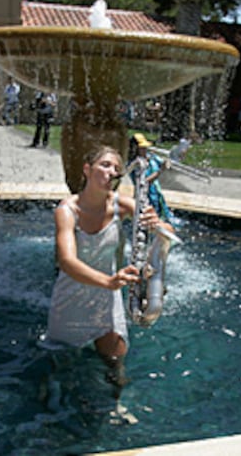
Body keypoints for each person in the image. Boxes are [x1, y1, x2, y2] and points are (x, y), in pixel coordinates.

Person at [45, 145, 172, 394]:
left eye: (116, 168)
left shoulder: (122, 205)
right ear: (87, 169)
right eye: (105, 164)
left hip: (107, 295)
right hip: (71, 297)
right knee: (60, 364)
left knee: (116, 360)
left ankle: (117, 405)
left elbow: (170, 233)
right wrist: (109, 281)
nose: (111, 171)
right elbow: (67, 261)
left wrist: (158, 224)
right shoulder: (66, 211)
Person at [128, 133, 174, 223]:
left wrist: (168, 162)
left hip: (156, 192)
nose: (145, 149)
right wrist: (160, 171)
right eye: (142, 148)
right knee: (146, 218)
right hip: (144, 195)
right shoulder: (134, 164)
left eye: (145, 147)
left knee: (162, 216)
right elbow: (143, 181)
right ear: (135, 149)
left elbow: (163, 162)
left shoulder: (151, 157)